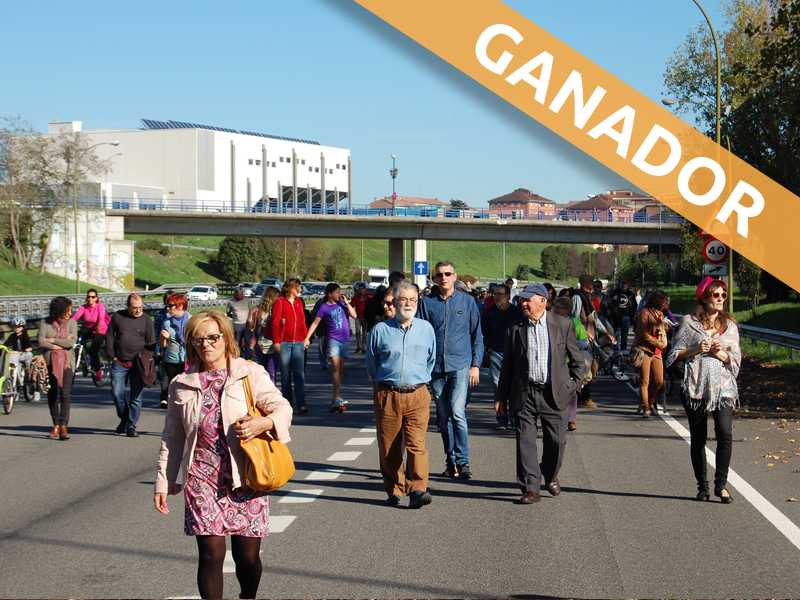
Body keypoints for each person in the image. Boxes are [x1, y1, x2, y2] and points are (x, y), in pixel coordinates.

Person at [154, 310, 293, 599]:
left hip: (246, 475)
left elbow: (282, 408)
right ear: (191, 343)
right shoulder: (181, 384)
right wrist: (164, 481)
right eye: (199, 339)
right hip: (202, 476)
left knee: (247, 559)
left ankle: (247, 596)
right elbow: (173, 437)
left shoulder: (249, 373)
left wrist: (264, 422)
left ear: (225, 338)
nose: (206, 344)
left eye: (213, 337)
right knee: (211, 554)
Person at [495, 283, 583, 504]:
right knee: (525, 441)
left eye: (528, 299)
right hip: (525, 393)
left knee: (557, 442)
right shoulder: (515, 328)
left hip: (555, 393)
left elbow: (577, 360)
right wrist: (500, 397)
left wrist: (573, 386)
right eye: (522, 300)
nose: (523, 303)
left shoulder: (563, 325)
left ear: (542, 301)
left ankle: (550, 473)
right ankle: (531, 488)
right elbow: (508, 367)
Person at [666, 278, 740, 503]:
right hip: (695, 387)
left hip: (724, 388)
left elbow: (736, 359)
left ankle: (721, 485)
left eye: (723, 295)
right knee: (698, 438)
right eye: (716, 295)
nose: (720, 299)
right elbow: (673, 354)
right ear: (704, 298)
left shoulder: (730, 325)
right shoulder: (689, 322)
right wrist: (696, 349)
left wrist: (721, 354)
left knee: (725, 434)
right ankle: (703, 487)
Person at [366, 281, 436, 508]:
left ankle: (417, 489)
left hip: (417, 394)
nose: (408, 303)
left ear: (417, 302)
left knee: (417, 444)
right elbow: (372, 365)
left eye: (412, 299)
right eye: (403, 299)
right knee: (389, 446)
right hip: (388, 395)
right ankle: (395, 490)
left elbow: (431, 360)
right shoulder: (380, 330)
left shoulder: (426, 329)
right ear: (394, 302)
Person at [418, 261, 483, 480]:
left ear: (455, 276)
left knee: (457, 413)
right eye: (439, 275)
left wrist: (476, 365)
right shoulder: (426, 303)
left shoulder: (468, 301)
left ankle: (463, 461)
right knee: (443, 417)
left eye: (447, 274)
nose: (443, 277)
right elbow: (421, 336)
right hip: (436, 367)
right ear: (435, 278)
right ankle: (450, 460)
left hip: (461, 364)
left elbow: (476, 335)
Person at [106, 293, 156, 437]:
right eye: (134, 308)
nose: (138, 311)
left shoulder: (146, 319)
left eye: (140, 307)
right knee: (116, 393)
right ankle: (125, 416)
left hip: (138, 364)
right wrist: (112, 356)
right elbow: (109, 335)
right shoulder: (117, 316)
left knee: (136, 396)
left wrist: (146, 358)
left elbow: (151, 341)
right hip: (120, 362)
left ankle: (131, 425)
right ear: (128, 306)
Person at [305, 283, 358, 411]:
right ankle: (336, 396)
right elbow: (315, 323)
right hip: (333, 339)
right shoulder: (324, 308)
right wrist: (307, 338)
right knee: (335, 366)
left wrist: (347, 303)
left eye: (340, 292)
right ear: (330, 294)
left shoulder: (342, 304)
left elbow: (354, 315)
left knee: (340, 367)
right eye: (337, 292)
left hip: (345, 339)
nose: (340, 294)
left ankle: (337, 394)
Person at [481, 283, 523, 430]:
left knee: (513, 386)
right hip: (496, 354)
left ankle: (513, 417)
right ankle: (502, 418)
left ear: (507, 296)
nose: (496, 297)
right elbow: (483, 332)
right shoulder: (489, 312)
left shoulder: (518, 313)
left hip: (514, 354)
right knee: (498, 387)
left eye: (499, 294)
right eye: (495, 294)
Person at [38, 297, 78, 440]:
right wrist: (59, 345)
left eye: (70, 310)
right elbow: (41, 341)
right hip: (49, 363)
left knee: (65, 393)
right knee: (52, 393)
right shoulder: (45, 322)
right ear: (58, 310)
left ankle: (63, 426)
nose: (69, 313)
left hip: (67, 363)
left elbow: (71, 342)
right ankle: (55, 423)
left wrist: (52, 340)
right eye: (66, 310)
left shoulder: (72, 323)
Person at [552, 296, 591, 432]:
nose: (556, 310)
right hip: (554, 362)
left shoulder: (575, 322)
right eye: (555, 307)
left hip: (570, 362)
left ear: (568, 310)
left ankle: (571, 419)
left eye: (560, 307)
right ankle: (557, 417)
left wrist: (571, 347)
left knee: (572, 391)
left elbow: (584, 341)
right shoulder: (549, 321)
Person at [272, 279, 308, 414]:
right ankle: (288, 404)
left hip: (298, 342)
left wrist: (306, 337)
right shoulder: (279, 302)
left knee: (299, 374)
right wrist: (276, 341)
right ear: (291, 288)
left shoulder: (299, 303)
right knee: (286, 375)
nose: (300, 290)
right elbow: (275, 323)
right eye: (298, 288)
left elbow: (303, 322)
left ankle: (301, 404)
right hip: (284, 343)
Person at [633, 289, 669, 417]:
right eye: (664, 303)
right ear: (658, 302)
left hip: (657, 352)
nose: (666, 305)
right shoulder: (645, 313)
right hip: (645, 350)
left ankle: (651, 401)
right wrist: (659, 343)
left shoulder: (660, 314)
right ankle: (646, 408)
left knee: (659, 380)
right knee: (645, 381)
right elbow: (643, 333)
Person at [71, 288, 110, 384]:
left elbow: (101, 318)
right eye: (88, 297)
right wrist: (68, 325)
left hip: (100, 329)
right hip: (88, 329)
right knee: (76, 338)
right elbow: (75, 317)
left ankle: (98, 370)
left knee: (93, 349)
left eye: (93, 297)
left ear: (96, 298)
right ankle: (84, 357)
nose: (90, 299)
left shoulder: (100, 306)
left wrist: (99, 326)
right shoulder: (84, 307)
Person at [159, 294, 190, 398]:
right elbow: (162, 345)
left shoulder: (191, 321)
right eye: (167, 305)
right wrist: (163, 338)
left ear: (180, 306)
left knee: (186, 389)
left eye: (170, 305)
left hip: (188, 360)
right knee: (175, 389)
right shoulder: (167, 323)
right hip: (172, 360)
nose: (167, 308)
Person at [249, 286, 280, 384]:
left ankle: (272, 394)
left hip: (274, 345)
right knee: (262, 371)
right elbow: (252, 329)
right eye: (276, 296)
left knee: (271, 372)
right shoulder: (258, 310)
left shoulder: (278, 310)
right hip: (260, 344)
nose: (278, 299)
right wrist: (250, 314)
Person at [154, 291, 177, 409]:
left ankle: (174, 397)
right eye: (167, 302)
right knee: (164, 375)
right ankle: (164, 398)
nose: (169, 306)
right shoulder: (160, 315)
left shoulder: (181, 316)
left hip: (178, 353)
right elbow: (157, 333)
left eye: (171, 303)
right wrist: (157, 349)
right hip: (165, 350)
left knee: (176, 376)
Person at [610, 280, 636, 351]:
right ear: (620, 284)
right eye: (622, 284)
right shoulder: (615, 292)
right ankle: (616, 352)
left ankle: (623, 352)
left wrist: (631, 316)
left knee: (624, 337)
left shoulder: (630, 294)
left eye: (625, 284)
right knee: (616, 336)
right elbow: (609, 302)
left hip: (626, 317)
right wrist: (613, 299)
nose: (623, 286)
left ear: (627, 285)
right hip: (616, 317)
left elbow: (634, 306)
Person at [227, 289, 252, 359]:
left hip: (246, 324)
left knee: (247, 341)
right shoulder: (231, 302)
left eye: (241, 295)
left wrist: (250, 322)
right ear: (235, 295)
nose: (239, 296)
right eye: (237, 295)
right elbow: (228, 312)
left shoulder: (247, 301)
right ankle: (239, 356)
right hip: (237, 324)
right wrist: (233, 317)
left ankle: (248, 357)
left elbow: (251, 311)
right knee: (237, 342)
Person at [350, 283, 371, 354]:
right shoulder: (356, 297)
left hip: (365, 318)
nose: (360, 290)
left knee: (365, 334)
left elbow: (371, 305)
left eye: (362, 289)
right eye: (359, 289)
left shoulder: (368, 297)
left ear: (365, 289)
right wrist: (358, 301)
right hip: (358, 317)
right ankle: (358, 346)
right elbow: (351, 305)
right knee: (358, 333)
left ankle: (363, 347)